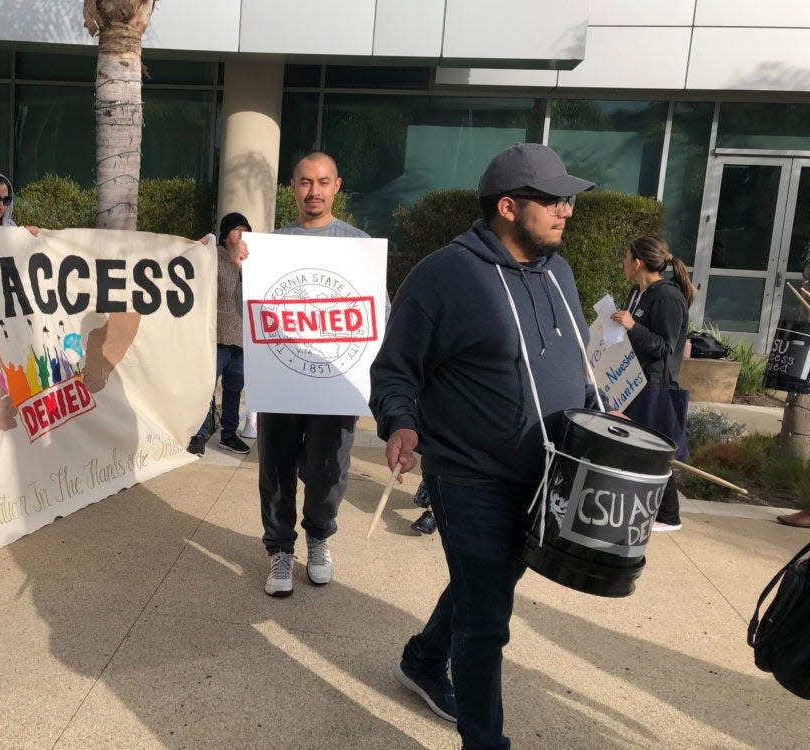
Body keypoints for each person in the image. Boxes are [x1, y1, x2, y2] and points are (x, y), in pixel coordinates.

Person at [369, 143, 595, 749]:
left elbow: (568, 357)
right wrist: (400, 422)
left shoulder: (560, 271)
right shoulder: (446, 275)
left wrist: (598, 411)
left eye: (566, 199)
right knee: (488, 618)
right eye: (551, 200)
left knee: (485, 584)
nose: (566, 210)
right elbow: (394, 370)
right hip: (468, 473)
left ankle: (421, 658)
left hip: (545, 469)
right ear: (507, 206)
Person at [258, 151, 369, 597]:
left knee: (329, 471)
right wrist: (239, 258)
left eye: (323, 182)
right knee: (277, 470)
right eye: (305, 182)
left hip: (336, 386)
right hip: (282, 381)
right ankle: (281, 550)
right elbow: (255, 307)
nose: (314, 192)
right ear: (293, 187)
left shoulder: (358, 245)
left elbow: (374, 314)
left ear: (337, 186)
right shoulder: (272, 245)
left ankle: (319, 538)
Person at [610, 235, 695, 533]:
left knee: (654, 449)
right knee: (638, 447)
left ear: (638, 262)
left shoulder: (667, 297)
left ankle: (669, 515)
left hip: (655, 386)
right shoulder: (637, 293)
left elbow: (665, 347)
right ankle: (651, 510)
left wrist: (633, 327)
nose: (623, 262)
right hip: (632, 380)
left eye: (625, 257)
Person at [187, 212, 252, 457]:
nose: (242, 234)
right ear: (225, 236)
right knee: (206, 388)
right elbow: (192, 268)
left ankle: (229, 435)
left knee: (235, 389)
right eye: (237, 229)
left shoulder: (254, 261)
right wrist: (200, 246)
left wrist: (244, 267)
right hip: (216, 337)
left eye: (246, 229)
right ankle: (200, 435)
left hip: (242, 339)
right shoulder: (213, 257)